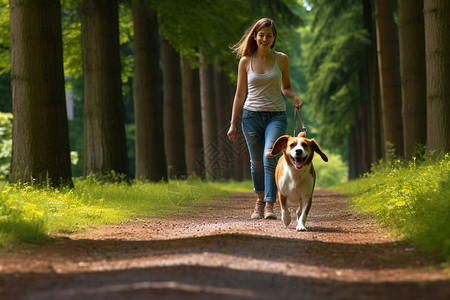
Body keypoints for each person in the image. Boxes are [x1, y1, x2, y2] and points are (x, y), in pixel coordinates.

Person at [227, 18, 303, 220]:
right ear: (255, 36)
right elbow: (239, 94)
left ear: (274, 37)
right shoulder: (245, 61)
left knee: (269, 157)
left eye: (269, 35)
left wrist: (294, 96)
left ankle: (270, 205)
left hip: (276, 116)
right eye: (261, 35)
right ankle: (259, 202)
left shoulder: (282, 59)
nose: (265, 39)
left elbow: (285, 87)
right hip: (250, 116)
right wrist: (233, 122)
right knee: (256, 163)